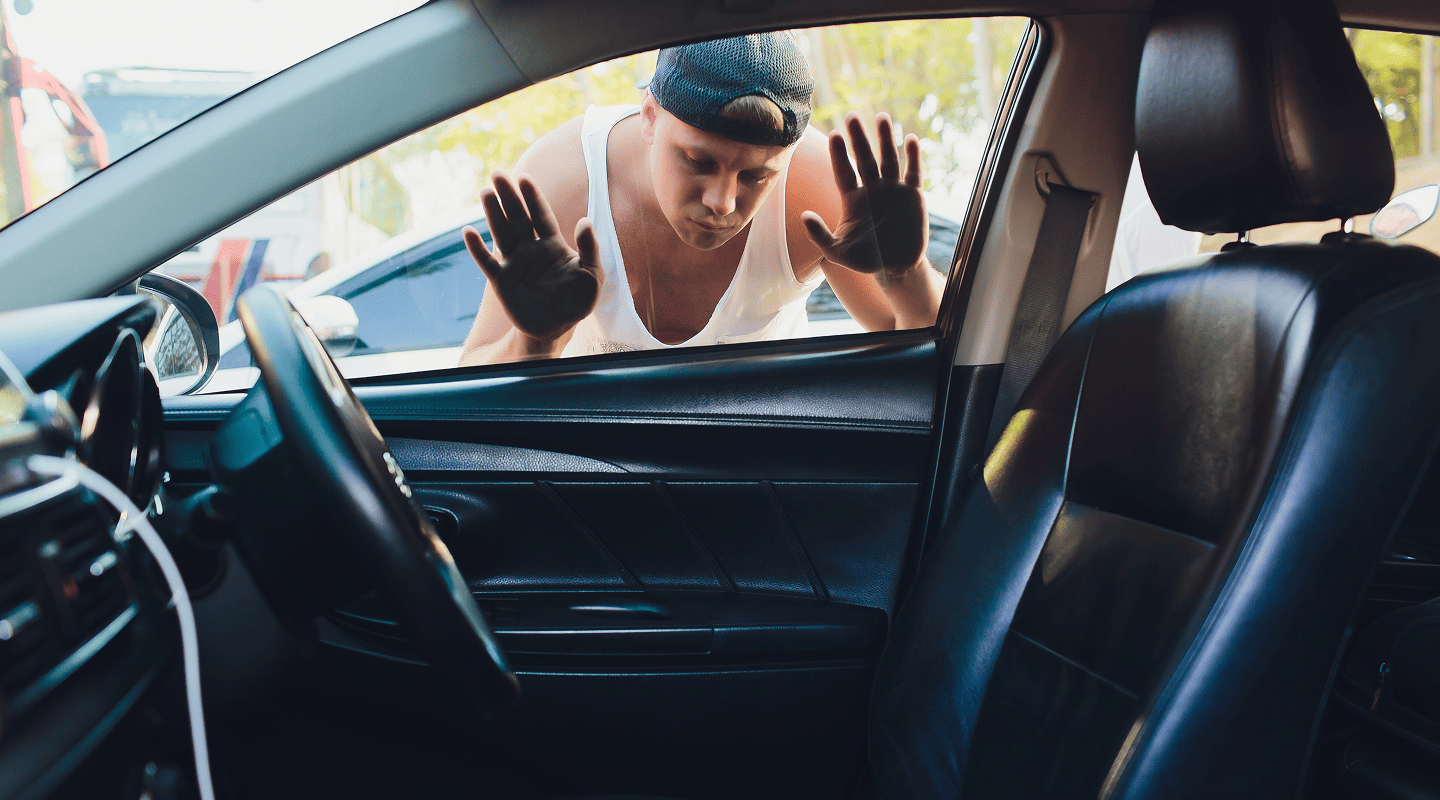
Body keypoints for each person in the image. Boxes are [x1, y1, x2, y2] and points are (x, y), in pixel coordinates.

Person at [458, 32, 945, 366]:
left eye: (756, 175)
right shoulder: (564, 181)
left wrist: (907, 275)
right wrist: (534, 342)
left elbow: (929, 353)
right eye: (697, 161)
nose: (723, 201)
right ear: (649, 116)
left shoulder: (815, 187)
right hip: (601, 468)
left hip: (763, 466)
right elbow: (470, 380)